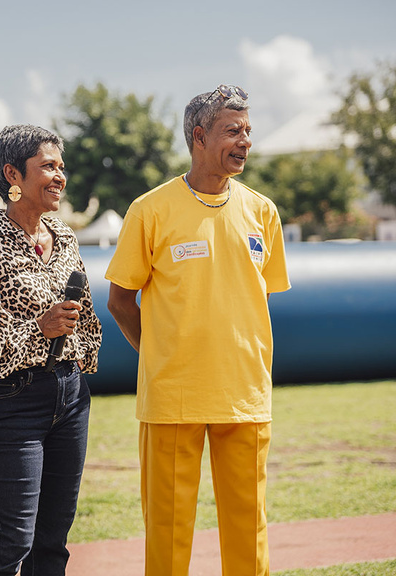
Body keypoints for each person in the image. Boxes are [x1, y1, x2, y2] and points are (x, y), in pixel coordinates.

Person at [105, 85, 291, 575]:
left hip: (244, 395)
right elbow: (120, 300)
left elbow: (256, 299)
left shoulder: (263, 211)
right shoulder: (150, 210)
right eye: (233, 131)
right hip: (173, 399)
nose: (245, 141)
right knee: (167, 537)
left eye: (248, 131)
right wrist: (161, 354)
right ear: (199, 136)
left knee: (248, 533)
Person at [0, 124, 102, 576]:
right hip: (10, 402)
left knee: (53, 541)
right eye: (48, 166)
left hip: (69, 396)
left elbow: (85, 314)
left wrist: (78, 355)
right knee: (12, 539)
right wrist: (39, 331)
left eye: (61, 167)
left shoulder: (64, 237)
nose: (60, 176)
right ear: (13, 174)